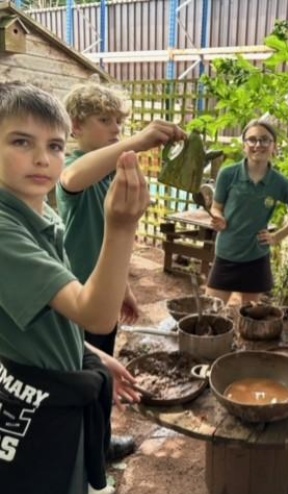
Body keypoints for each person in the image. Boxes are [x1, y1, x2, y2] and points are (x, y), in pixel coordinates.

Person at [0, 82, 147, 494]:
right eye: (21, 141)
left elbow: (53, 314)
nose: (42, 158)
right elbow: (95, 315)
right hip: (33, 402)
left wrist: (90, 355)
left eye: (55, 146)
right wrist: (122, 225)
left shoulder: (42, 215)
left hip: (60, 382)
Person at [56, 83, 187, 464]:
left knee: (102, 374)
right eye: (105, 120)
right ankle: (81, 452)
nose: (116, 128)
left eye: (119, 121)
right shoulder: (73, 170)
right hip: (76, 299)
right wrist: (138, 141)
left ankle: (99, 442)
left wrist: (124, 287)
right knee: (81, 378)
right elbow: (72, 176)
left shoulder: (108, 178)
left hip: (105, 293)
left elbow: (106, 240)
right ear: (76, 126)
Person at [205, 119, 288, 304]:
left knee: (249, 314)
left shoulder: (280, 183)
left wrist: (276, 237)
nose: (258, 144)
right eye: (252, 139)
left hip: (256, 256)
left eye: (264, 139)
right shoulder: (228, 174)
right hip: (227, 252)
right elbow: (216, 207)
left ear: (274, 146)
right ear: (244, 145)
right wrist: (219, 218)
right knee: (211, 310)